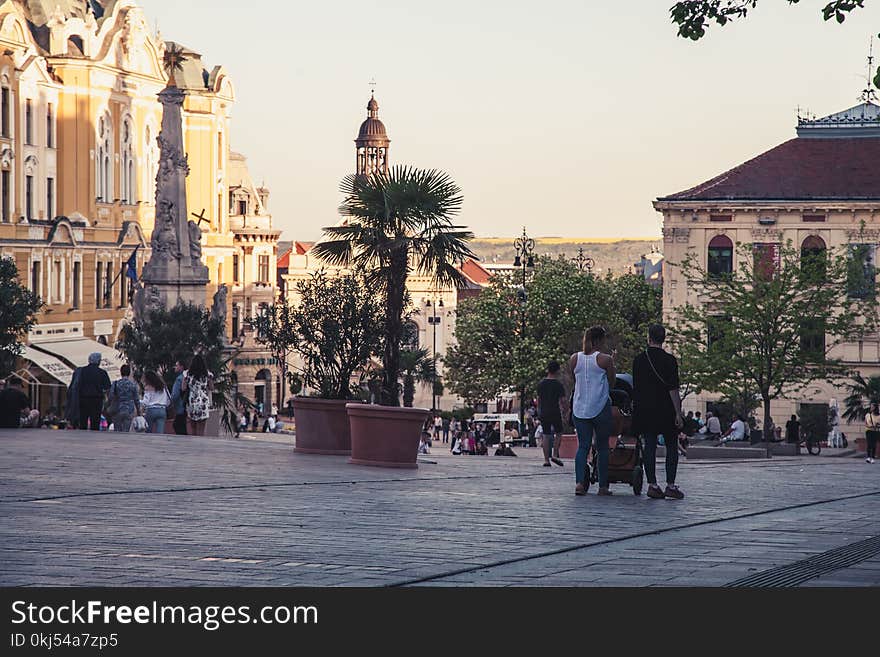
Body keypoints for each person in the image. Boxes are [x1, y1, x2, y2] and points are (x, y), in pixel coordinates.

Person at [632, 323, 685, 500]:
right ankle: (670, 484)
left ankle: (652, 484)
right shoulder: (670, 361)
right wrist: (678, 413)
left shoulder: (639, 360)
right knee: (671, 445)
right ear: (664, 339)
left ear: (649, 337)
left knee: (650, 445)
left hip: (645, 408)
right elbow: (673, 389)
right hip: (665, 408)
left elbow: (637, 387)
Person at [570, 326, 615, 496]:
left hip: (580, 407)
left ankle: (580, 483)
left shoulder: (574, 358)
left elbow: (575, 380)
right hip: (600, 406)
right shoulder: (606, 360)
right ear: (599, 340)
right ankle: (603, 486)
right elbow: (612, 382)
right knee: (602, 447)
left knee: (583, 446)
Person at [537, 360, 566, 467]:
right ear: (557, 370)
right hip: (555, 411)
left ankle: (546, 460)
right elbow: (562, 400)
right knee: (558, 432)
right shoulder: (558, 384)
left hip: (544, 411)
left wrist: (539, 410)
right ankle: (554, 454)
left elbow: (538, 399)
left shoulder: (541, 384)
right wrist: (565, 411)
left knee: (546, 434)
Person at [77, 352, 111, 431]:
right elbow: (107, 387)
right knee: (95, 422)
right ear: (98, 361)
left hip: (83, 399)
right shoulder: (102, 372)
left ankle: (82, 436)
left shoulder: (82, 371)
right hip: (96, 400)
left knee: (83, 421)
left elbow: (78, 385)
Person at [182, 354, 213, 436]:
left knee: (193, 428)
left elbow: (183, 388)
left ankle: (193, 446)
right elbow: (211, 387)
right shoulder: (207, 374)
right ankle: (200, 446)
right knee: (201, 429)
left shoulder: (187, 374)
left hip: (192, 401)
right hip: (203, 402)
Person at [110, 364, 140, 432]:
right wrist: (139, 411)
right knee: (126, 431)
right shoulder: (133, 385)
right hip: (129, 410)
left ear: (121, 372)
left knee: (117, 431)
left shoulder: (115, 383)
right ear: (129, 373)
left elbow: (111, 396)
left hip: (117, 409)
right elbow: (136, 399)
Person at [169, 359, 188, 435]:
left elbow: (175, 395)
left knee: (177, 425)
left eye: (177, 365)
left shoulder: (179, 379)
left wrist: (170, 403)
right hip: (186, 407)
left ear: (181, 367)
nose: (175, 367)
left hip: (180, 407)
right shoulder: (187, 378)